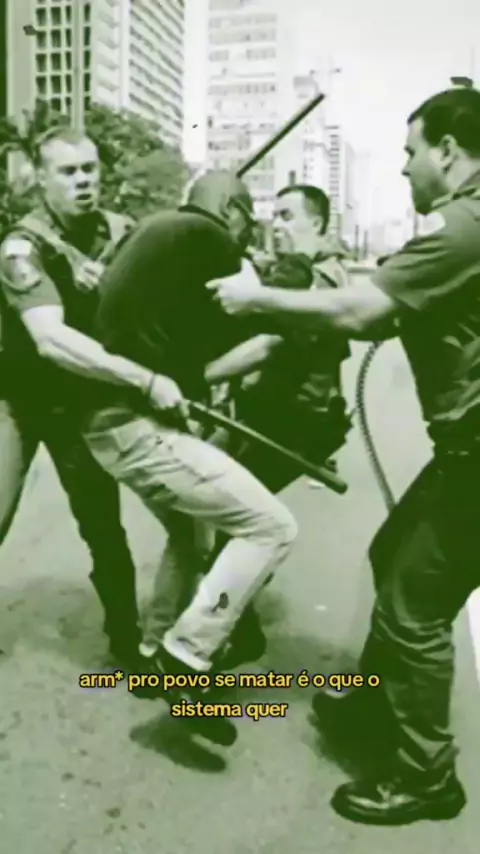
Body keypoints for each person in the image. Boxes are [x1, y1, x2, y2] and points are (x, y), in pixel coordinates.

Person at [209, 86, 480, 823]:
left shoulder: (464, 227)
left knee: (415, 605)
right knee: (393, 557)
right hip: (465, 450)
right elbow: (386, 313)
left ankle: (426, 775)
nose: (404, 167)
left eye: (411, 151)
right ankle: (377, 707)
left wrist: (256, 299)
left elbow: (362, 310)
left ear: (448, 151)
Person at [5, 165, 298, 745]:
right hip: (125, 422)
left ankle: (151, 645)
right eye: (248, 220)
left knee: (188, 533)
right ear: (232, 211)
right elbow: (250, 304)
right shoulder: (203, 234)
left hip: (102, 420)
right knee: (272, 527)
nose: (247, 234)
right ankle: (185, 656)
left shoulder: (142, 235)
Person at [0, 126, 142, 668]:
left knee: (103, 526)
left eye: (89, 169)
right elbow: (49, 337)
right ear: (41, 179)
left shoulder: (122, 234)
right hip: (17, 398)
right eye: (67, 171)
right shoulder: (21, 246)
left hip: (80, 401)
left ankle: (127, 640)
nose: (83, 181)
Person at [203, 184, 352, 669]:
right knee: (214, 503)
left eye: (288, 215)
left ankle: (224, 634)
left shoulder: (321, 279)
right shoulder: (293, 272)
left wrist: (196, 377)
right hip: (266, 414)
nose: (278, 225)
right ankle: (228, 620)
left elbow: (270, 344)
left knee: (237, 522)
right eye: (275, 214)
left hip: (299, 422)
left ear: (318, 223)